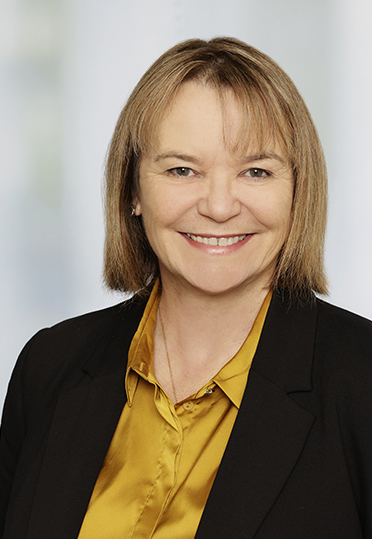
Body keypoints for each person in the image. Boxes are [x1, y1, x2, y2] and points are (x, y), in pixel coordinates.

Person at [1, 37, 372, 539]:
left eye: (256, 171)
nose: (219, 206)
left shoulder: (361, 385)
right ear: (133, 189)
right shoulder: (49, 368)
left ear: (297, 192)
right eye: (182, 170)